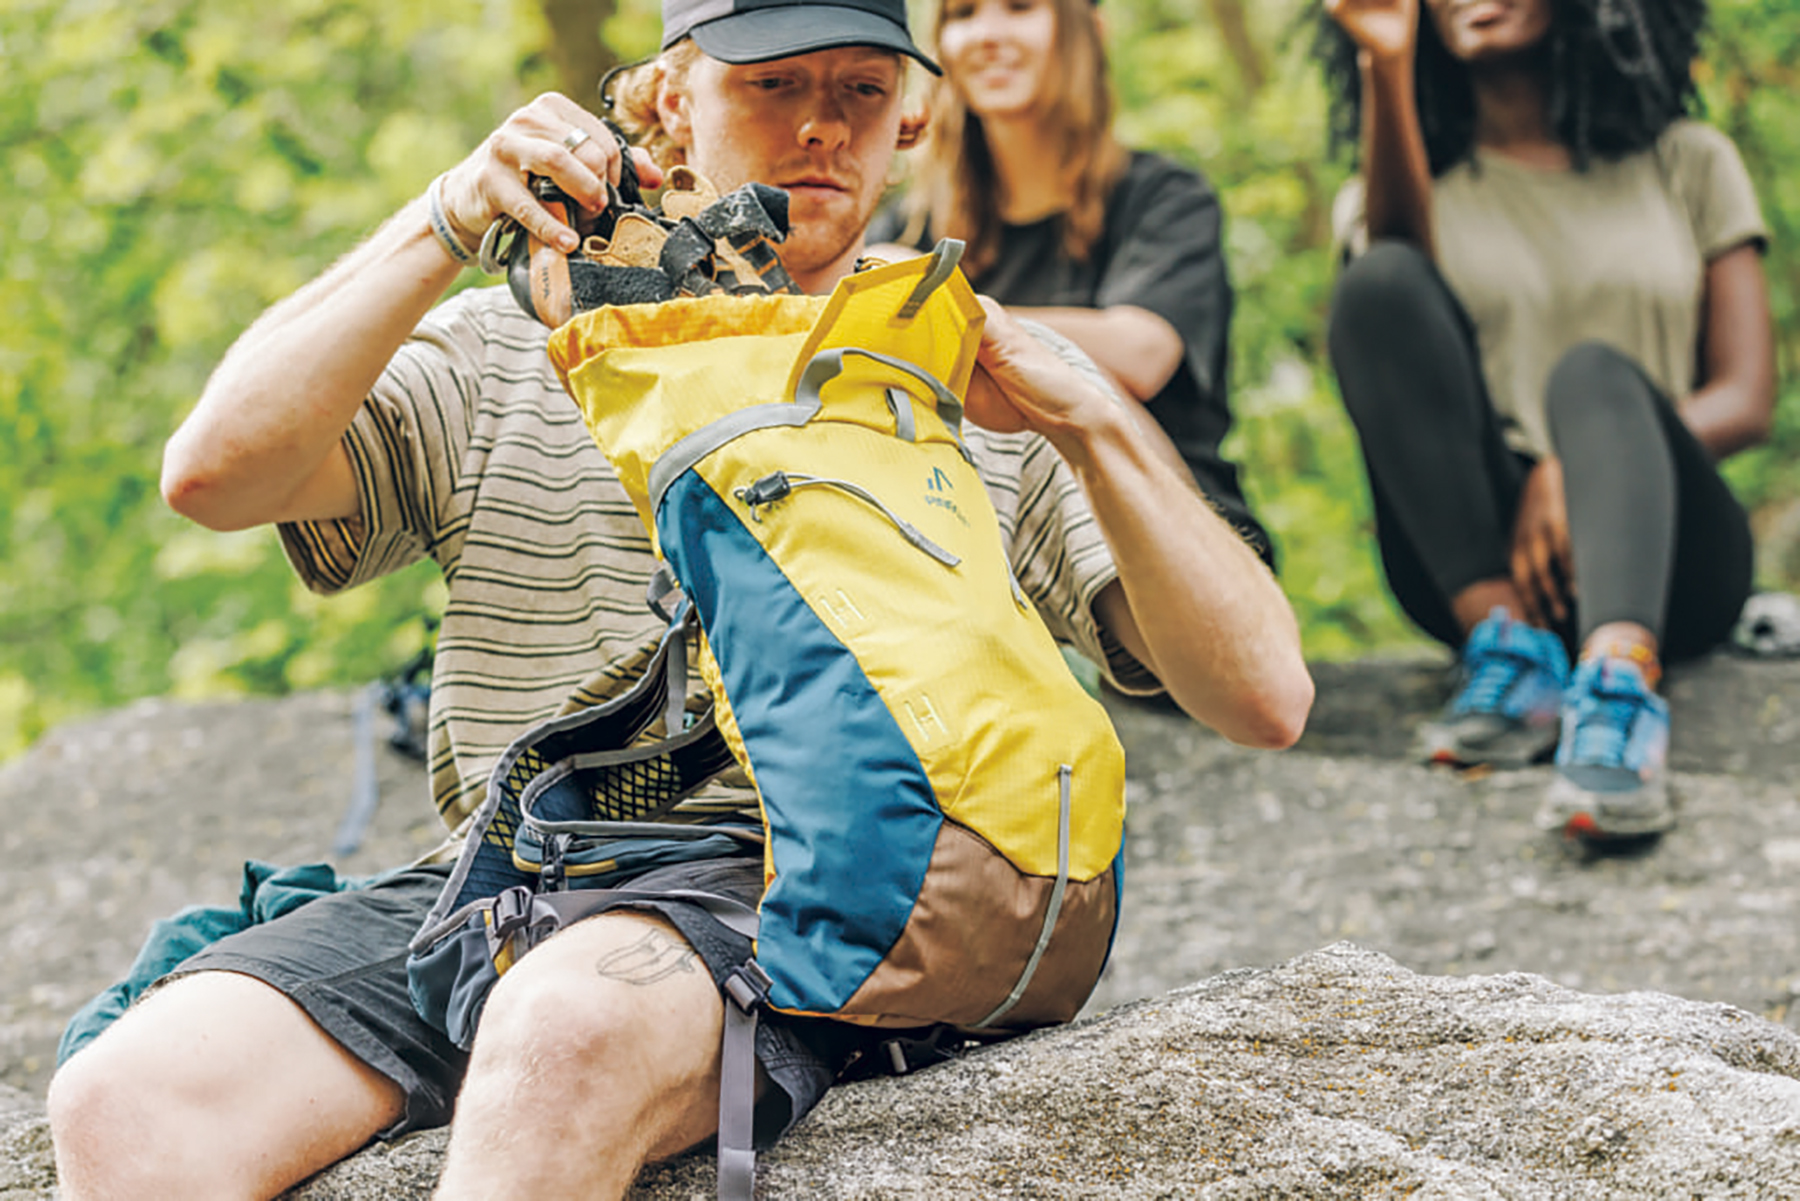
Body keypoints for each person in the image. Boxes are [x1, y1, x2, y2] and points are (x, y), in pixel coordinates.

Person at [45, 0, 1313, 1195]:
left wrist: (1095, 418)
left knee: (563, 1023)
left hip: (808, 888)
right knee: (127, 1098)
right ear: (665, 100)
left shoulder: (950, 375)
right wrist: (440, 221)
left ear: (911, 123)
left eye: (862, 91)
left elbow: (1262, 695)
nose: (822, 125)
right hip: (507, 873)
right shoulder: (509, 350)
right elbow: (214, 476)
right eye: (772, 86)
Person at [1317, 0, 1774, 840]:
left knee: (1592, 376)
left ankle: (1619, 686)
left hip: (1667, 554)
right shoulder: (1400, 185)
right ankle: (1512, 654)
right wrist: (1386, 61)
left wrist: (1581, 465)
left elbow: (1746, 396)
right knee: (1376, 282)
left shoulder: (1687, 161)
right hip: (1482, 559)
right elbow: (1394, 312)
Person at [866, 0, 1274, 566]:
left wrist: (939, 305)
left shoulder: (1164, 198)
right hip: (971, 540)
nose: (987, 34)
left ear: (1092, 33)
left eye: (1019, 7)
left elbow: (1142, 351)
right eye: (962, 14)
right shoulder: (908, 229)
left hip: (1173, 545)